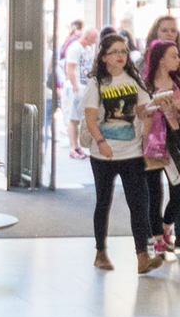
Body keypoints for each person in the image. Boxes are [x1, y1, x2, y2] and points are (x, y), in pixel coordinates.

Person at [83, 34, 162, 274]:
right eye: (115, 52)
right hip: (103, 154)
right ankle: (100, 252)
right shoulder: (97, 83)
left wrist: (146, 113)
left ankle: (142, 256)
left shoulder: (134, 80)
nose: (120, 56)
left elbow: (144, 111)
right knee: (103, 202)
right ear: (104, 57)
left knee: (139, 203)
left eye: (124, 51)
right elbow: (90, 118)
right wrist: (100, 141)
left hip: (131, 153)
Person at [141, 39, 180, 255]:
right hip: (151, 144)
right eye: (174, 55)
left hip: (174, 142)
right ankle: (156, 237)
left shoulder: (177, 83)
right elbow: (138, 114)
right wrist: (150, 108)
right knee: (154, 192)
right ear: (161, 60)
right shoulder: (145, 85)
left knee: (177, 189)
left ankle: (167, 225)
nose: (178, 60)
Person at [65, 27, 99, 160]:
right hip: (77, 87)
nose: (95, 41)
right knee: (73, 118)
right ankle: (73, 147)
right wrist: (75, 87)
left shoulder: (88, 49)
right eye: (93, 38)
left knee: (80, 118)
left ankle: (77, 146)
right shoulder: (75, 48)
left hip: (85, 86)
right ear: (87, 37)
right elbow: (70, 69)